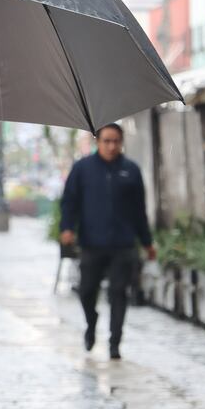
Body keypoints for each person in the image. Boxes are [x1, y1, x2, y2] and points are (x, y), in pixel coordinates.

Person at [59, 122, 155, 360]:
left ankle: (115, 343)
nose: (111, 146)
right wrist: (67, 228)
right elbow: (69, 201)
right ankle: (91, 323)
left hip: (123, 245)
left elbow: (139, 211)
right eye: (107, 141)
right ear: (97, 142)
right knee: (86, 291)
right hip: (92, 242)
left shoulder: (131, 171)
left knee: (118, 293)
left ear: (121, 143)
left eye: (116, 141)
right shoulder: (82, 169)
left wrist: (147, 242)